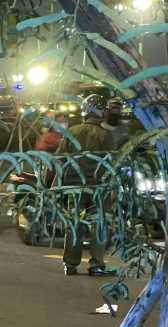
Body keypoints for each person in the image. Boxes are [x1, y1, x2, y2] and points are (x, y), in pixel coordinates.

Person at [58, 94, 114, 277]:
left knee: (74, 225)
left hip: (74, 188)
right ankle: (97, 265)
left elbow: (59, 159)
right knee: (99, 224)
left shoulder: (71, 132)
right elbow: (112, 163)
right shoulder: (106, 135)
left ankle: (70, 264)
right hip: (98, 189)